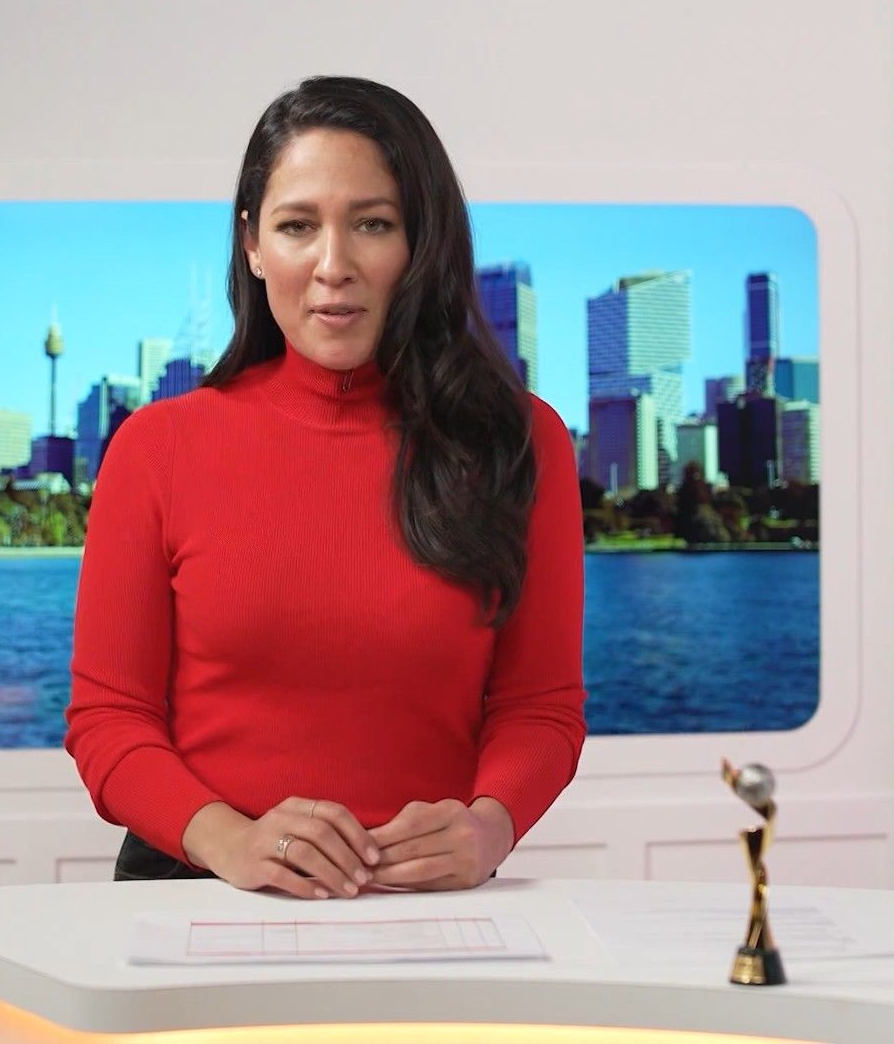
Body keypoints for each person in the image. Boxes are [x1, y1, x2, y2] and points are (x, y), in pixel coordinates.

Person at [63, 76, 586, 901]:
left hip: (426, 900)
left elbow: (541, 707)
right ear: (252, 245)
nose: (333, 266)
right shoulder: (155, 448)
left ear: (421, 242)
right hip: (201, 886)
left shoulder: (521, 443)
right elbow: (108, 720)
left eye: (372, 224)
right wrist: (233, 842)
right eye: (297, 226)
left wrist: (490, 826)